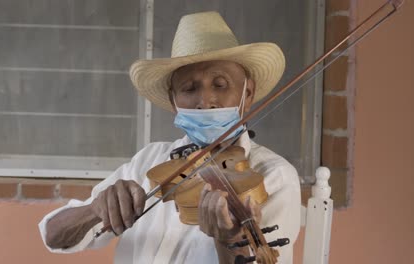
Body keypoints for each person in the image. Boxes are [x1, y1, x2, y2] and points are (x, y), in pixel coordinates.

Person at [39, 11, 300, 264]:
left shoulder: (273, 176)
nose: (205, 101)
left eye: (220, 85)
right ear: (174, 102)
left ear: (248, 93)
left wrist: (227, 241)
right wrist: (94, 209)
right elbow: (53, 236)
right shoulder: (150, 161)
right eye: (189, 88)